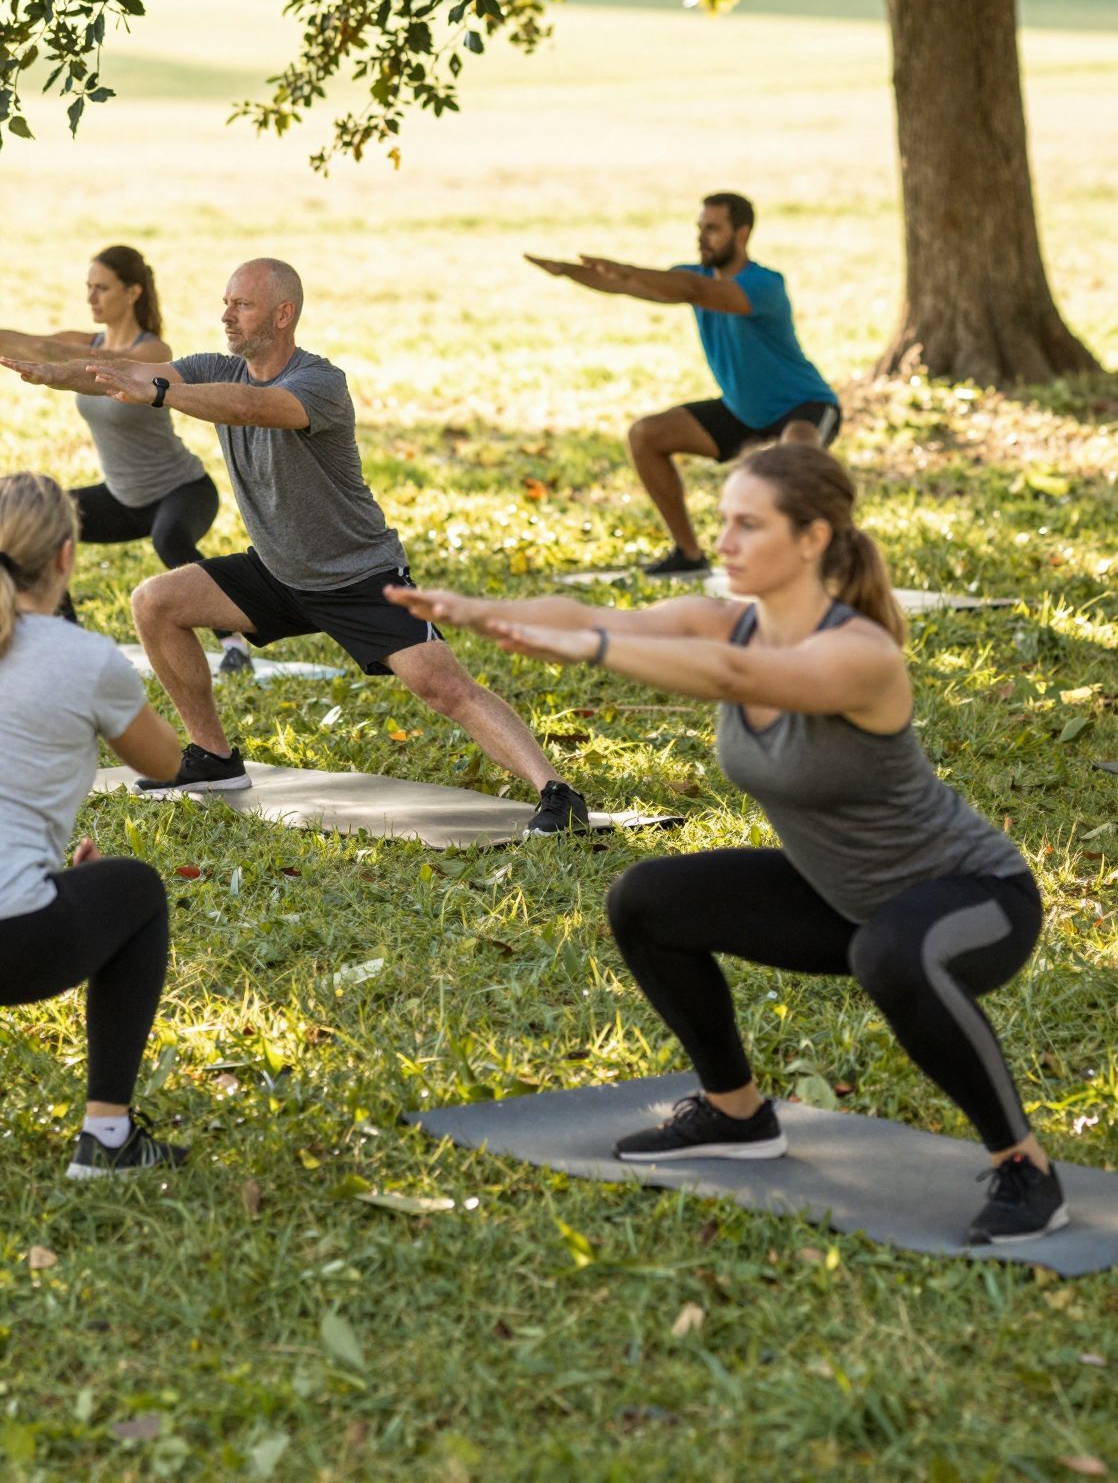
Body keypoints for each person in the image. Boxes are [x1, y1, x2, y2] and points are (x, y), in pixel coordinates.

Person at [387, 444, 1066, 1247]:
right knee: (648, 901)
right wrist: (482, 610)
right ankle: (736, 1113)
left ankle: (1027, 1168)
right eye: (723, 523)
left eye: (749, 524)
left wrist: (592, 652)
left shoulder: (861, 654)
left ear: (812, 538)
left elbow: (734, 677)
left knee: (891, 954)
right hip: (844, 900)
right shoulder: (724, 615)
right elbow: (599, 616)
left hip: (976, 898)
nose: (727, 542)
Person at [1, 259, 591, 837]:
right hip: (278, 571)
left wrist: (157, 391)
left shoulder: (318, 383)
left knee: (445, 688)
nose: (226, 315)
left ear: (282, 315)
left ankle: (557, 793)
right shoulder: (216, 368)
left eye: (242, 304)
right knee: (156, 602)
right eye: (226, 302)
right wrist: (60, 375)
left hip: (358, 577)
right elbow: (117, 371)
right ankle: (212, 758)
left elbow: (253, 409)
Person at [0, 471, 191, 1177]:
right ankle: (107, 1138)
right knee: (136, 890)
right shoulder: (83, 660)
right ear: (64, 559)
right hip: (14, 938)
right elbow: (169, 763)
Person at [527, 192, 840, 577]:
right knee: (647, 435)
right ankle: (689, 556)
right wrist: (566, 270)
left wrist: (626, 269)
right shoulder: (691, 276)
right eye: (700, 228)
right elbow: (627, 286)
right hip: (742, 410)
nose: (702, 237)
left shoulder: (763, 284)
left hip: (803, 404)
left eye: (713, 229)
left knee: (798, 453)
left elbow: (695, 292)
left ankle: (824, 557)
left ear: (741, 233)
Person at [0, 246, 251, 673]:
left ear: (133, 291)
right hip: (122, 499)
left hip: (181, 491)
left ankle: (235, 644)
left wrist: (58, 361)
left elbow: (87, 363)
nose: (92, 298)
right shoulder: (87, 342)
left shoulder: (153, 350)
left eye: (102, 288)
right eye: (89, 288)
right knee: (41, 524)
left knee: (169, 540)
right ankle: (69, 645)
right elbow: (31, 342)